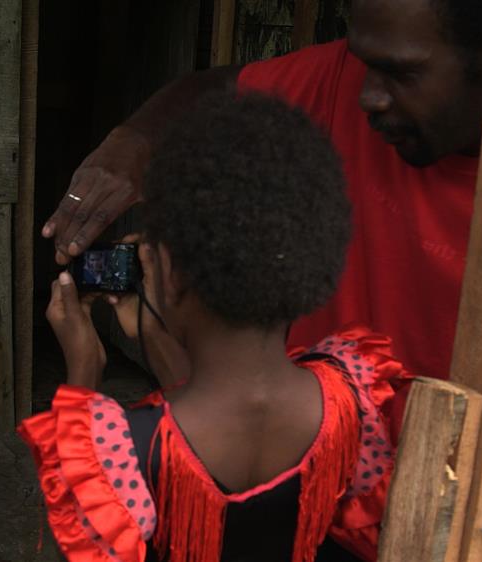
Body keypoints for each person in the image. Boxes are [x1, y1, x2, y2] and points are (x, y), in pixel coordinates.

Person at [41, 0, 482, 558]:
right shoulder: (355, 392)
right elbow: (216, 90)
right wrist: (128, 146)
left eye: (401, 73)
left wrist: (82, 376)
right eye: (364, 63)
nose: (367, 96)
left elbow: (88, 527)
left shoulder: (126, 449)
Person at [21, 93, 410, 562]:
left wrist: (83, 370)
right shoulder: (356, 390)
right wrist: (153, 333)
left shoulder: (117, 445)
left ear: (172, 273)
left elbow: (87, 539)